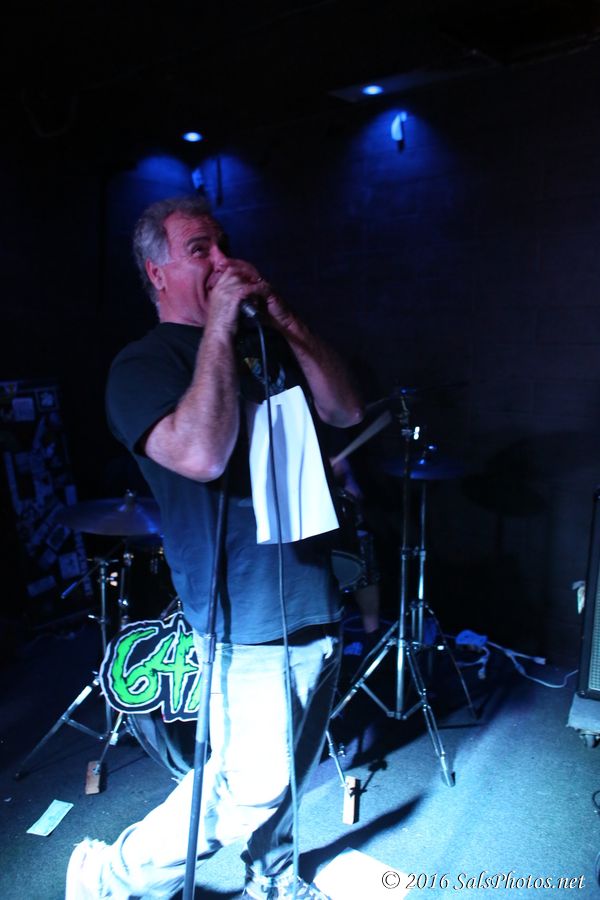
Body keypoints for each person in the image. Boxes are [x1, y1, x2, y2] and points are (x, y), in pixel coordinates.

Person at [65, 194, 363, 900]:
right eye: (200, 249)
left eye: (224, 243)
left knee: (288, 773)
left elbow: (345, 410)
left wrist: (284, 320)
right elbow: (200, 454)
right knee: (245, 787)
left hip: (312, 591)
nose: (224, 260)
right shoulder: (142, 364)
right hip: (243, 613)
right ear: (157, 271)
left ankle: (273, 879)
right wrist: (223, 324)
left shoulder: (262, 347)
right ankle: (110, 877)